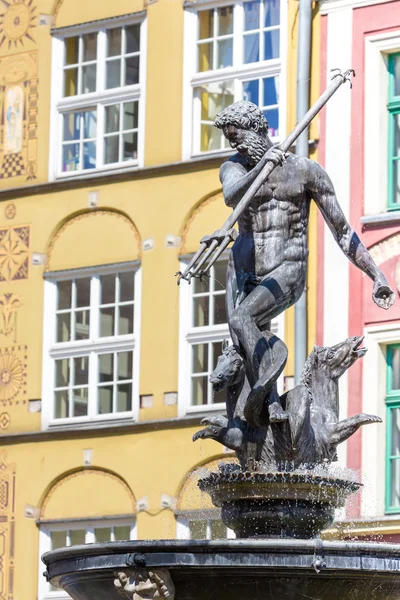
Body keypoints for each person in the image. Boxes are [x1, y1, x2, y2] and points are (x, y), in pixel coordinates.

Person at [213, 101, 394, 426]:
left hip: (287, 270)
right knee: (241, 346)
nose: (234, 145)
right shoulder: (233, 167)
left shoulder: (305, 171)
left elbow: (341, 231)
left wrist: (377, 274)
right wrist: (259, 168)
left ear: (255, 129)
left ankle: (267, 389)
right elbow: (231, 195)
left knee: (243, 319)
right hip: (244, 269)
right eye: (230, 139)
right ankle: (260, 416)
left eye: (237, 136)